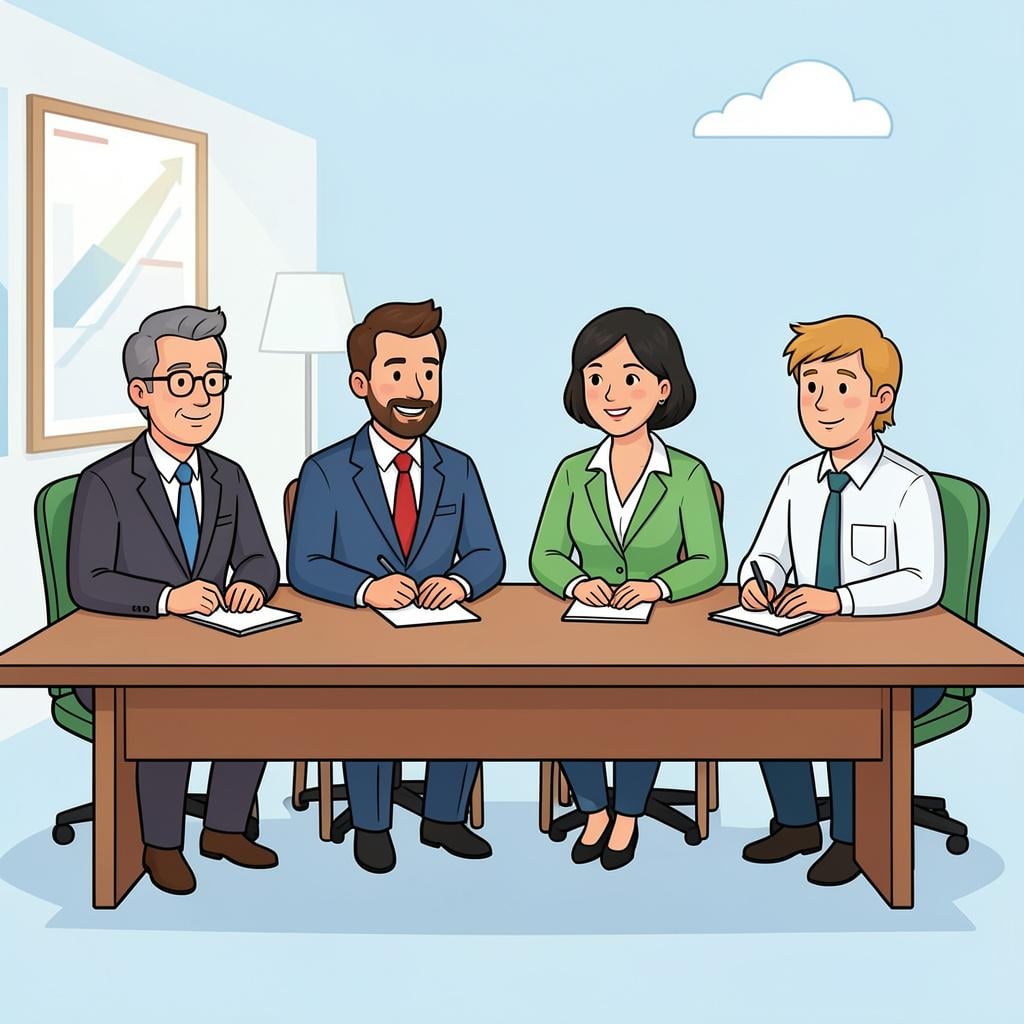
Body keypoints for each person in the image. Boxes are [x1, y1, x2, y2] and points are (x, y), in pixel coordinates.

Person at [68, 305, 280, 896]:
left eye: (214, 381)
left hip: (212, 641)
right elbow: (89, 580)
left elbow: (262, 559)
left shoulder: (228, 476)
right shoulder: (105, 481)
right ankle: (159, 845)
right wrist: (166, 598)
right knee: (165, 703)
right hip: (122, 654)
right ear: (142, 392)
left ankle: (224, 827)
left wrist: (250, 586)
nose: (201, 398)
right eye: (181, 382)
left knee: (266, 692)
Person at [287, 299, 504, 874]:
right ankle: (372, 822)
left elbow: (489, 555)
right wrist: (366, 589)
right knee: (369, 693)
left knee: (470, 687)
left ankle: (443, 817)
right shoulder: (326, 471)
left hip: (439, 632)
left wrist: (457, 582)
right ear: (362, 382)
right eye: (399, 371)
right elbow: (305, 564)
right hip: (357, 636)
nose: (417, 387)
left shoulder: (458, 467)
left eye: (429, 372)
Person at [739, 314, 946, 887]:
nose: (823, 404)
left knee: (848, 707)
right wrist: (761, 578)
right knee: (760, 694)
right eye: (810, 389)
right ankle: (798, 823)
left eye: (841, 388)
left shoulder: (908, 485)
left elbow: (923, 581)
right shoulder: (796, 481)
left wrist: (839, 600)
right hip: (808, 645)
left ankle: (855, 841)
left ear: (880, 399)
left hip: (901, 661)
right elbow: (766, 554)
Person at [530, 307, 727, 870]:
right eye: (596, 378)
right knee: (560, 696)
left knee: (647, 699)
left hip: (660, 633)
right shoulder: (572, 472)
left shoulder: (687, 474)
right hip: (585, 627)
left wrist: (658, 587)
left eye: (630, 378)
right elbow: (544, 554)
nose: (611, 393)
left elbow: (711, 563)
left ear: (663, 389)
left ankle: (628, 814)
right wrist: (576, 581)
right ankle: (594, 808)